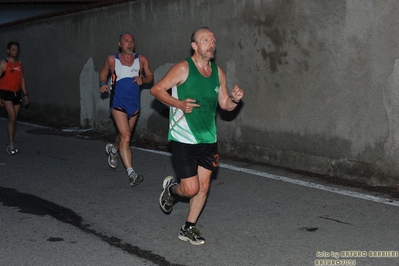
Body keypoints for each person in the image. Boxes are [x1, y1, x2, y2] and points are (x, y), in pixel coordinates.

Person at [150, 26, 244, 245]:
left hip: (208, 139)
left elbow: (225, 105)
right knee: (190, 188)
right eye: (205, 40)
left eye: (213, 40)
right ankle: (171, 191)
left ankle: (188, 228)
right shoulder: (183, 68)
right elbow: (157, 90)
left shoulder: (217, 72)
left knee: (203, 187)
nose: (211, 44)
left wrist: (235, 99)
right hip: (183, 138)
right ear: (194, 46)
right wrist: (179, 104)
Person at [99, 32, 154, 187]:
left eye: (132, 41)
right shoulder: (112, 60)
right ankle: (132, 174)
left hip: (134, 104)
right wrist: (102, 84)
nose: (129, 44)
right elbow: (103, 73)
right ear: (119, 44)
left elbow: (150, 76)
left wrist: (143, 79)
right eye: (126, 41)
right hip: (118, 102)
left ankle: (113, 150)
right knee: (126, 136)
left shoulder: (141, 60)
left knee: (124, 136)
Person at [0, 41, 29, 155]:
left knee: (14, 119)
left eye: (17, 50)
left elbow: (22, 79)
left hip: (17, 93)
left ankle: (10, 142)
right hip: (6, 93)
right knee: (12, 117)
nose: (15, 52)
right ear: (8, 51)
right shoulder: (3, 63)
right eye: (13, 49)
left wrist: (25, 94)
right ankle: (10, 145)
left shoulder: (19, 63)